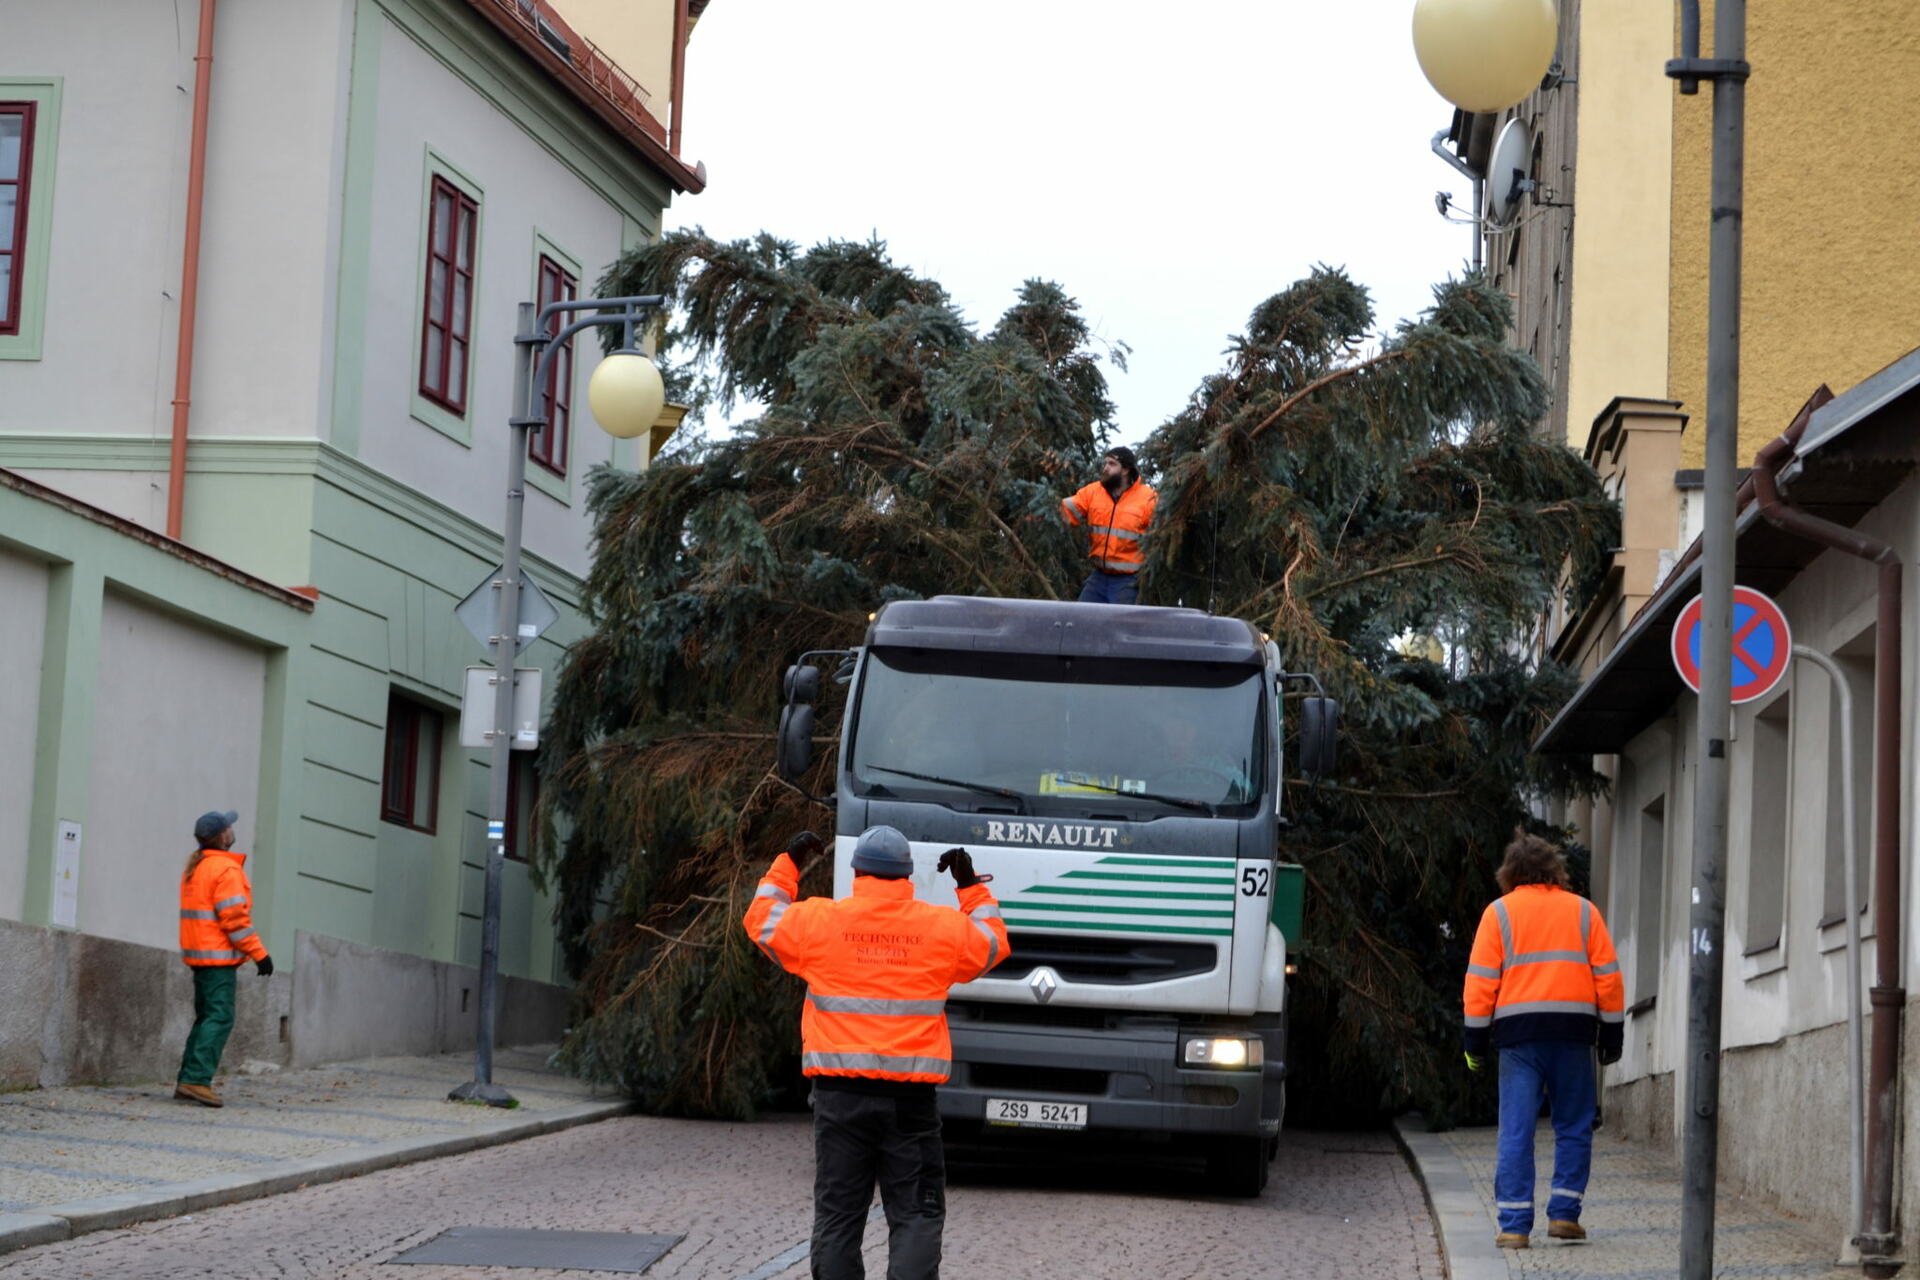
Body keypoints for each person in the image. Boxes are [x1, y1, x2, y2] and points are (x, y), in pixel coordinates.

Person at [743, 827, 1009, 1280]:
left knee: (839, 1216)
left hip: (839, 1099)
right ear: (906, 876)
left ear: (857, 873)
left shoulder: (819, 922)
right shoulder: (940, 929)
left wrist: (788, 863)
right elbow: (993, 943)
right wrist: (969, 886)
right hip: (910, 1104)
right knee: (916, 1213)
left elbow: (761, 919)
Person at [1462, 830, 1625, 1249]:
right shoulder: (1584, 912)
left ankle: (1514, 1225)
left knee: (1516, 1129)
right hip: (1573, 1034)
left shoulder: (1498, 913)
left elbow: (1480, 983)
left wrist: (1474, 1043)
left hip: (1519, 1038)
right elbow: (1608, 978)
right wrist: (1612, 1033)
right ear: (1555, 870)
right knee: (1574, 1124)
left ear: (1509, 873)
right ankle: (1565, 1215)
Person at [176, 810, 272, 1108]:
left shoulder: (197, 866)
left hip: (199, 957)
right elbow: (235, 920)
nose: (232, 830)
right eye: (229, 827)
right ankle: (196, 1080)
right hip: (218, 960)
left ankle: (188, 1079)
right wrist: (260, 954)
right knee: (219, 1018)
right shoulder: (226, 870)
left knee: (206, 1018)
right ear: (222, 835)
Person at [1060, 446, 1156, 605]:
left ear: (1125, 470)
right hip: (1099, 577)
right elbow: (1066, 510)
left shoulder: (1147, 499)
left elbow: (1162, 534)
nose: (1105, 468)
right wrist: (1042, 511)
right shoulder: (1094, 491)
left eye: (1111, 464)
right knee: (1081, 616)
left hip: (1128, 581)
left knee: (1118, 620)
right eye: (1105, 463)